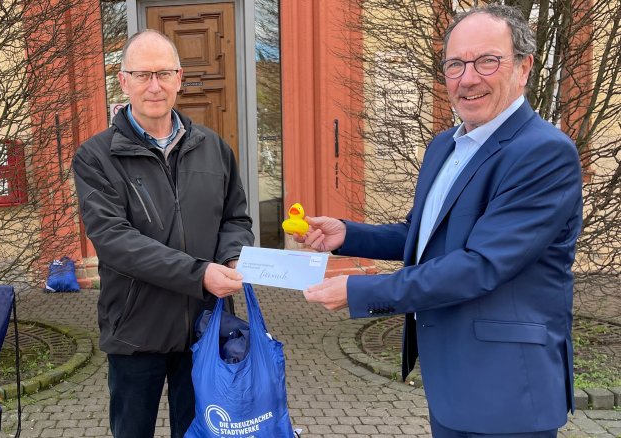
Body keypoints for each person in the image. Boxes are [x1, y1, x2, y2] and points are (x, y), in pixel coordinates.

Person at [297, 5, 582, 437]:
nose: (468, 79)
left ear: (523, 68)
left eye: (487, 61)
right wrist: (347, 235)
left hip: (508, 389)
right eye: (455, 64)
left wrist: (362, 291)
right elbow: (423, 236)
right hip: (451, 379)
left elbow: (481, 265)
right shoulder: (444, 146)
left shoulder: (543, 152)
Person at [73, 29, 253, 438]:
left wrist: (233, 255)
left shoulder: (214, 148)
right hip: (136, 331)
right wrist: (199, 273)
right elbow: (115, 241)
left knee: (201, 432)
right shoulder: (96, 157)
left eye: (164, 74)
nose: (154, 86)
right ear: (123, 81)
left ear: (179, 78)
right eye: (142, 75)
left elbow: (235, 218)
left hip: (206, 328)